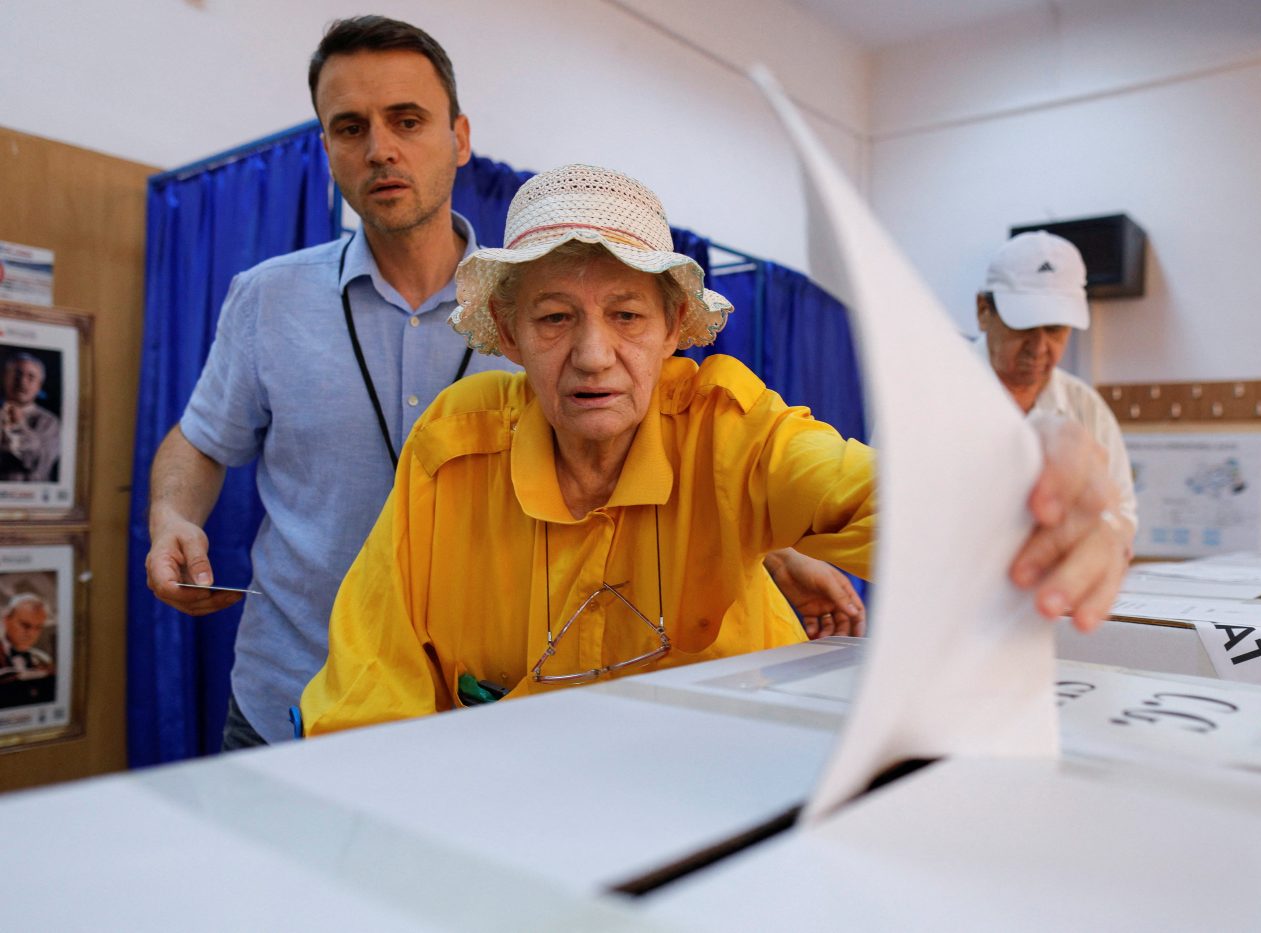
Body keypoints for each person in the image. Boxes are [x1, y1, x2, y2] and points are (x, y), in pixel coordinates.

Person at [143, 16, 860, 750]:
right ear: (325, 148)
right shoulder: (269, 298)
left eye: (407, 120)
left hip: (505, 698)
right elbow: (201, 439)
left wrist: (765, 538)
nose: (381, 147)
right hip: (297, 684)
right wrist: (171, 518)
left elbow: (683, 457)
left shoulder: (546, 281)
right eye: (350, 127)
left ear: (459, 138)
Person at [301, 164, 1130, 735]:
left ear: (671, 335)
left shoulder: (727, 425)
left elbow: (886, 497)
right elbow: (366, 697)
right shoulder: (450, 450)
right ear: (511, 335)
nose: (594, 354)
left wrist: (1023, 481)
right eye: (555, 317)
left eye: (627, 315)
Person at [975, 230, 1137, 533]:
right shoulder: (931, 395)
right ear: (984, 312)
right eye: (1023, 326)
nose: (1038, 348)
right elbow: (879, 507)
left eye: (1054, 330)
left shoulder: (1085, 408)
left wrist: (1104, 539)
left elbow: (1122, 510)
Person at [0, 351, 61, 482]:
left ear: (39, 386)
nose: (22, 381)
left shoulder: (49, 422)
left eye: (31, 377)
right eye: (17, 374)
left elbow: (40, 463)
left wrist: (19, 425)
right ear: (5, 378)